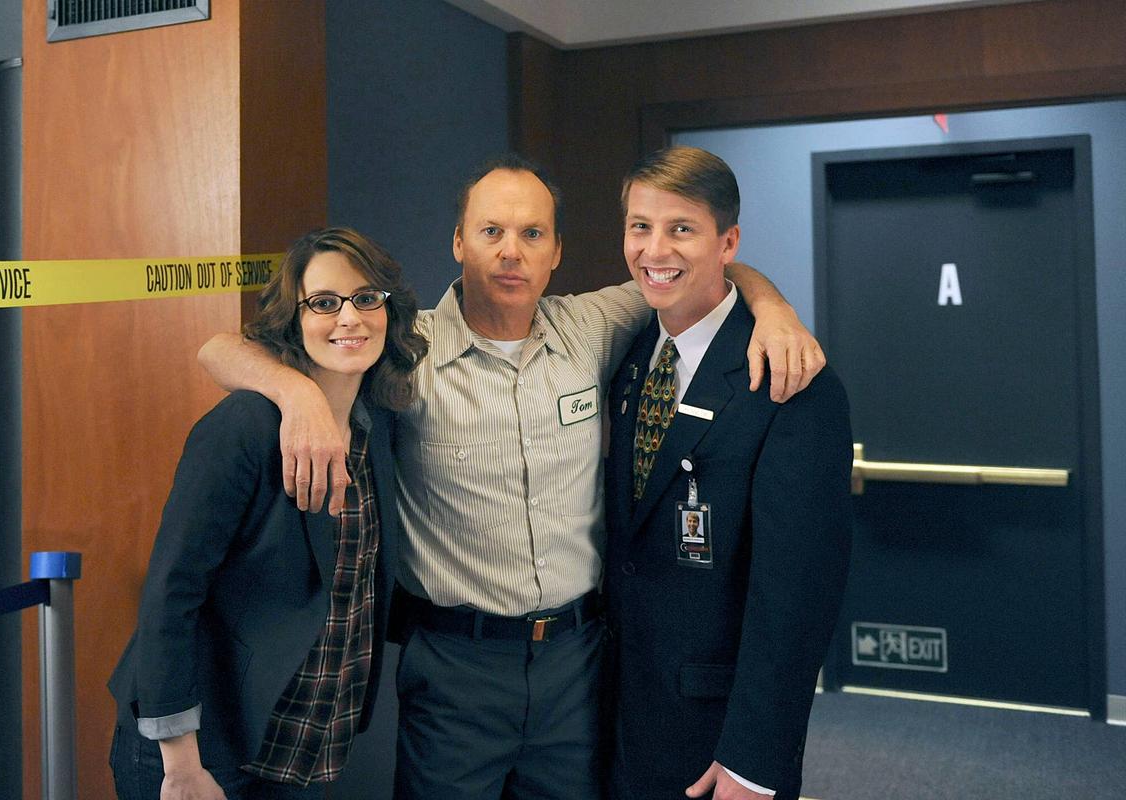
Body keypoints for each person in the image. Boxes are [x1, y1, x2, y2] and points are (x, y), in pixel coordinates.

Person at [197, 154, 825, 800]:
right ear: (458, 243)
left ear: (556, 252)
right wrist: (296, 395)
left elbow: (694, 271)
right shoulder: (404, 347)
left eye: (532, 235)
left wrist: (772, 307)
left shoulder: (591, 326)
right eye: (491, 231)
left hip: (576, 666)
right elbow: (219, 349)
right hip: (454, 668)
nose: (510, 253)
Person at [108, 227, 427, 800]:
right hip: (205, 749)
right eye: (325, 303)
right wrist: (181, 762)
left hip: (302, 745)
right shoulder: (245, 428)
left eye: (366, 298)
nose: (349, 318)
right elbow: (170, 592)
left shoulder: (377, 427)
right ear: (293, 321)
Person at [603, 145, 853, 800]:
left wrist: (754, 759)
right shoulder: (625, 353)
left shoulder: (790, 379)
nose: (655, 249)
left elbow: (796, 595)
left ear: (727, 242)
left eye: (681, 228)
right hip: (614, 716)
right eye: (640, 226)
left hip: (714, 734)